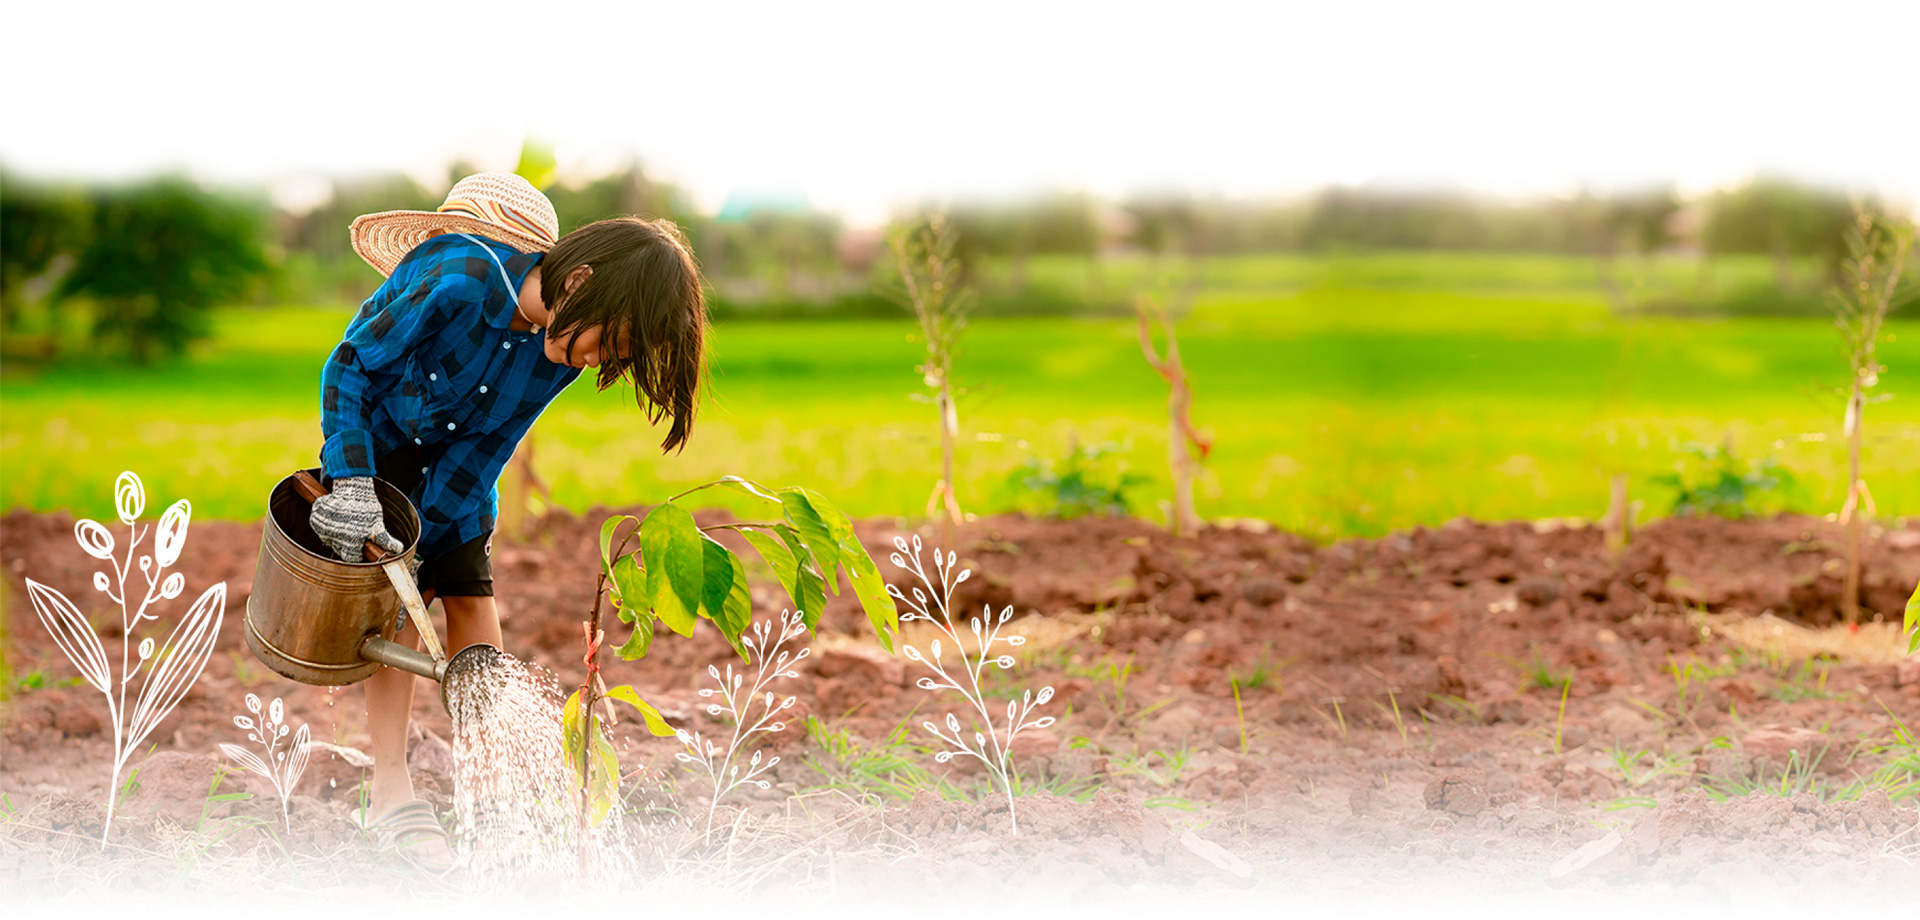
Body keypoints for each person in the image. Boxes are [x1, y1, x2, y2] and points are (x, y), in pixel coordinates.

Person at [309, 172, 706, 871]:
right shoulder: (456, 280)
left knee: (471, 607)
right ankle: (391, 790)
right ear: (578, 282)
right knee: (397, 612)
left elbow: (489, 446)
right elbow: (349, 369)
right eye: (607, 343)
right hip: (378, 456)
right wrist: (356, 486)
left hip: (461, 478)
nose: (596, 361)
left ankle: (493, 793)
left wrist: (430, 542)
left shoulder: (555, 356)